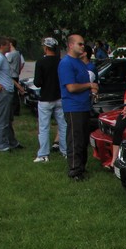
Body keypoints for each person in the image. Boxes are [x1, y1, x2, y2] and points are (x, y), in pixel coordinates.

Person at [58, 34, 98, 181]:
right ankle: (74, 170)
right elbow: (71, 87)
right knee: (75, 139)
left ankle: (82, 167)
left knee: (83, 139)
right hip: (73, 107)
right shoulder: (66, 63)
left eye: (83, 44)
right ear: (70, 45)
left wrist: (92, 91)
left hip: (84, 105)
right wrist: (89, 85)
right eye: (80, 44)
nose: (83, 47)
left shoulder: (80, 63)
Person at [33, 37, 67, 163]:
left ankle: (43, 154)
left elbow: (37, 82)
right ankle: (65, 151)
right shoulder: (61, 62)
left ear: (46, 48)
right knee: (63, 125)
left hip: (45, 98)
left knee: (44, 127)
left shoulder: (41, 62)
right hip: (60, 97)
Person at [0, 36, 25, 152]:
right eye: (7, 44)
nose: (10, 46)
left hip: (9, 90)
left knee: (8, 119)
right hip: (4, 92)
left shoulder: (2, 57)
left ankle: (12, 142)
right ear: (2, 46)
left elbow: (6, 76)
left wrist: (18, 86)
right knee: (3, 119)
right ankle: (2, 145)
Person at [6, 38, 24, 116]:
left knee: (13, 94)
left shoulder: (12, 54)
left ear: (11, 44)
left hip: (12, 75)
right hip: (16, 74)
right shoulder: (18, 53)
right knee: (15, 93)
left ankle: (15, 110)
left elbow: (5, 62)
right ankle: (16, 109)